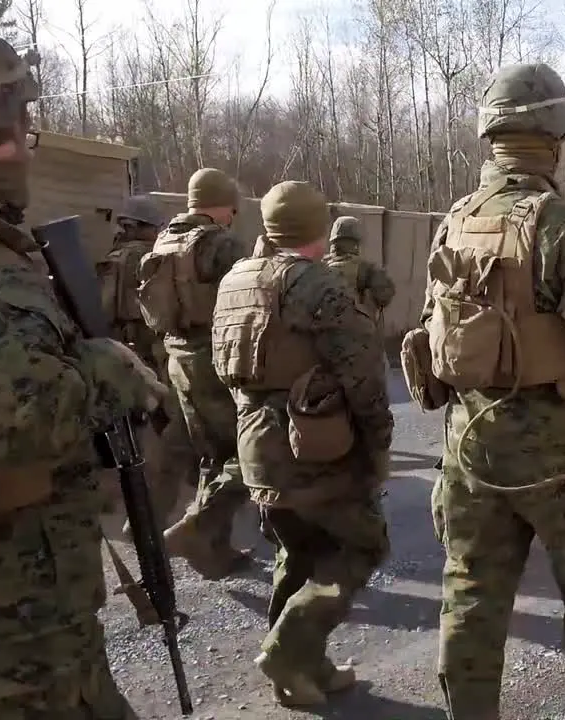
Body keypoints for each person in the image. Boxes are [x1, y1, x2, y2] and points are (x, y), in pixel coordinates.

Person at [0, 25, 166, 718]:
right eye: (16, 127)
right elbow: (20, 426)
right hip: (5, 644)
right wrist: (109, 369)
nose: (23, 147)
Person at [403, 62, 565, 719]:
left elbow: (431, 327)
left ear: (492, 135)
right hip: (555, 447)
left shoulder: (456, 219)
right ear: (557, 134)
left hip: (470, 442)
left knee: (471, 586)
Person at [213, 181, 393, 707]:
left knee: (297, 552)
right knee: (361, 547)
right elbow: (364, 379)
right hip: (314, 447)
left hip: (254, 444)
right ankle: (287, 650)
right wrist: (377, 448)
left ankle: (301, 670)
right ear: (318, 228)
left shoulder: (236, 279)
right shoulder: (319, 286)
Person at [137, 167, 252, 579]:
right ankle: (198, 526)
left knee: (207, 452)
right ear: (221, 205)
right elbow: (247, 300)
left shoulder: (166, 237)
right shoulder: (220, 243)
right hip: (212, 360)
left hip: (175, 357)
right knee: (247, 453)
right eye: (231, 207)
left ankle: (210, 549)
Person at [98, 194, 197, 528]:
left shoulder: (111, 257)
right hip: (146, 344)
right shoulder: (148, 257)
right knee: (169, 416)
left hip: (114, 345)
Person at [323, 214, 396, 328]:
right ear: (356, 243)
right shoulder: (366, 270)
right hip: (357, 338)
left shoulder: (319, 266)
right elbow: (386, 295)